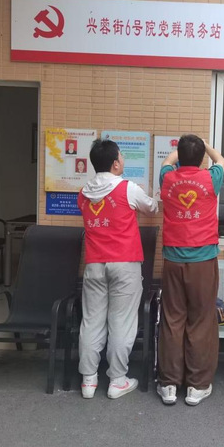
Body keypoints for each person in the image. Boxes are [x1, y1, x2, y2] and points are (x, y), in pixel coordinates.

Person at [76, 139, 158, 399]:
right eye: (121, 157)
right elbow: (152, 208)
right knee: (121, 322)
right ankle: (117, 380)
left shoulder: (83, 194)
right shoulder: (127, 188)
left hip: (94, 265)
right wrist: (153, 195)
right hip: (125, 263)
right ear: (114, 163)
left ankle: (88, 381)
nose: (123, 160)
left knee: (91, 321)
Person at [157, 134, 224, 406]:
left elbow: (167, 161)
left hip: (173, 260)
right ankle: (197, 386)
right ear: (200, 157)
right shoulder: (210, 178)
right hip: (203, 261)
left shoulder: (167, 178)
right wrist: (204, 145)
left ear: (180, 155)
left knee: (172, 319)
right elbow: (220, 160)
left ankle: (169, 384)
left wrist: (181, 149)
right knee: (201, 320)